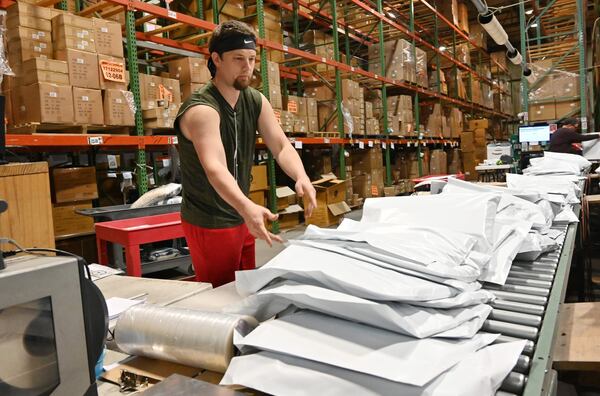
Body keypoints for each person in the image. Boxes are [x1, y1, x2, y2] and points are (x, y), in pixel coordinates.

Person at [175, 21, 317, 287]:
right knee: (220, 295)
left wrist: (301, 176)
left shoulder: (255, 100)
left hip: (243, 212)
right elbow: (214, 167)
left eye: (251, 59)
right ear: (216, 59)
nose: (247, 67)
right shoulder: (202, 110)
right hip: (211, 218)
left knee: (245, 288)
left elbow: (282, 146)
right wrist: (246, 207)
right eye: (238, 58)